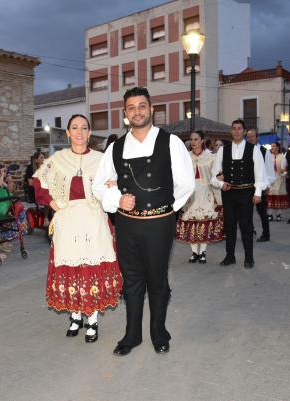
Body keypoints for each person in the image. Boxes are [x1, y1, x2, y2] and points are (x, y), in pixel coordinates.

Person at [92, 87, 195, 356]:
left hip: (159, 224)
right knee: (132, 279)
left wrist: (167, 210)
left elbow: (186, 183)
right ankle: (132, 334)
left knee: (157, 279)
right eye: (131, 107)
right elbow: (98, 186)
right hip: (126, 225)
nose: (137, 111)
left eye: (142, 106)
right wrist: (115, 198)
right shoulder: (115, 147)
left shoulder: (170, 142)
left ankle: (158, 333)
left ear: (151, 109)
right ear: (125, 114)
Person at [33, 114, 122, 344]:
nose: (80, 132)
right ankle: (75, 316)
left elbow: (115, 182)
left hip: (95, 220)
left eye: (84, 128)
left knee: (91, 267)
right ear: (68, 133)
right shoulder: (57, 159)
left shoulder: (102, 159)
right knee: (71, 268)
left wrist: (113, 188)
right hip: (68, 221)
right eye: (75, 128)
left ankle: (91, 320)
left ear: (89, 133)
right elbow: (38, 183)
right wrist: (54, 205)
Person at [211, 119, 265, 268]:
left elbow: (260, 174)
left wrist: (258, 193)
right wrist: (221, 184)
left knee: (246, 225)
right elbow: (213, 175)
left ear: (244, 131)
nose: (236, 131)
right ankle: (230, 256)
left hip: (247, 193)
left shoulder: (253, 149)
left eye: (239, 128)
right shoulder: (223, 150)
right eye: (234, 128)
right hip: (229, 193)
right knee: (229, 226)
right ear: (231, 131)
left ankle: (249, 258)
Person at [175, 130, 223, 264]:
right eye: (191, 139)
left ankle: (202, 252)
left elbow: (215, 176)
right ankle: (194, 252)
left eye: (196, 139)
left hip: (206, 192)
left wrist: (220, 178)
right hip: (191, 194)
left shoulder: (211, 157)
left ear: (202, 140)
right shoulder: (186, 157)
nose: (193, 142)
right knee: (191, 221)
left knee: (205, 221)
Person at [246, 129, 275, 242]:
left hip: (261, 185)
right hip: (247, 185)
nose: (250, 139)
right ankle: (250, 230)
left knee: (262, 212)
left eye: (252, 136)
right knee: (247, 211)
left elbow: (269, 170)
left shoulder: (264, 151)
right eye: (248, 137)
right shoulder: (245, 150)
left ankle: (266, 234)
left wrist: (267, 186)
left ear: (257, 137)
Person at [267, 142, 289, 221]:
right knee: (270, 195)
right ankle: (270, 214)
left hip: (279, 178)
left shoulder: (282, 156)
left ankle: (278, 214)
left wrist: (284, 172)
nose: (272, 148)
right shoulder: (268, 156)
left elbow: (285, 169)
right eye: (271, 146)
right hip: (270, 179)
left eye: (274, 146)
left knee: (278, 196)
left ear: (278, 148)